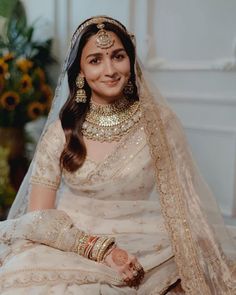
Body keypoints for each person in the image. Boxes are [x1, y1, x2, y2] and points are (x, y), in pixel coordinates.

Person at [0, 15, 235, 295]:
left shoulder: (159, 123)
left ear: (131, 61)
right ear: (80, 71)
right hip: (71, 242)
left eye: (118, 56)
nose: (110, 69)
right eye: (95, 60)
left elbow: (186, 203)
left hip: (146, 242)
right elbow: (37, 218)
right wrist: (99, 249)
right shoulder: (60, 132)